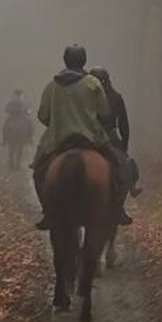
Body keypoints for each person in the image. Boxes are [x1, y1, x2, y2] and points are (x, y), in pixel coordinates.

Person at [31, 42, 127, 227]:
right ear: (84, 61)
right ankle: (116, 209)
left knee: (39, 171)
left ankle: (47, 212)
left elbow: (43, 116)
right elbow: (105, 112)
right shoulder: (93, 83)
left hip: (58, 140)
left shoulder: (52, 85)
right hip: (91, 140)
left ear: (65, 61)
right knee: (118, 167)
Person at [89, 65, 140, 216]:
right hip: (109, 136)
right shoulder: (116, 96)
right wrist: (124, 146)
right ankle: (123, 200)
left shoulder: (86, 96)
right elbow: (124, 124)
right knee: (127, 165)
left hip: (87, 134)